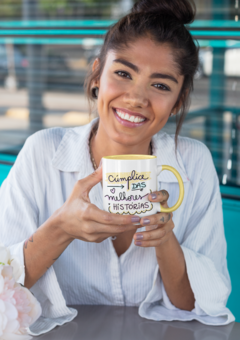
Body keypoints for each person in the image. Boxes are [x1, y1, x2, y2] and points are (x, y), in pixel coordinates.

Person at [0, 0, 235, 335]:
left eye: (160, 85)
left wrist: (165, 239)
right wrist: (60, 229)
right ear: (97, 74)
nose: (136, 98)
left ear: (178, 101)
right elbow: (2, 288)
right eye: (123, 73)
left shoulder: (192, 163)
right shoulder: (42, 153)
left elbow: (191, 306)